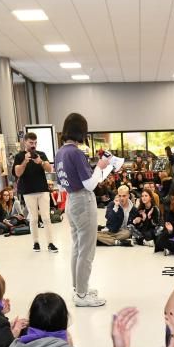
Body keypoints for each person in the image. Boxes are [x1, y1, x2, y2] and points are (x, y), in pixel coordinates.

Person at [56, 113, 112, 307]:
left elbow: (63, 181)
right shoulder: (76, 153)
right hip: (83, 201)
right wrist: (102, 167)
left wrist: (99, 170)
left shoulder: (60, 152)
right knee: (86, 251)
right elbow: (89, 184)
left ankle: (79, 287)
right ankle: (81, 294)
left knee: (77, 247)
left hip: (71, 200)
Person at [14, 131, 57, 253]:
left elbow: (50, 169)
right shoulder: (19, 156)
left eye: (35, 142)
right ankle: (36, 242)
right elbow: (17, 173)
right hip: (28, 191)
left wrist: (41, 162)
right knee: (33, 218)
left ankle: (50, 243)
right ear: (25, 142)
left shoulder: (41, 154)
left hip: (42, 190)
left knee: (46, 218)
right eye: (31, 142)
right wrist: (25, 162)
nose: (33, 145)